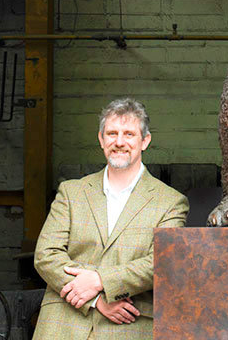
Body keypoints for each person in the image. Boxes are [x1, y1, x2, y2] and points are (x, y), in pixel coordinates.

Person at [33, 98, 188, 338]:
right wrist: (96, 300)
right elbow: (46, 255)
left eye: (129, 134)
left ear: (145, 141)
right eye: (112, 133)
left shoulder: (170, 202)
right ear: (101, 139)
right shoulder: (71, 191)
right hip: (64, 325)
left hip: (128, 326)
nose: (119, 142)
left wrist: (100, 280)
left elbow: (161, 262)